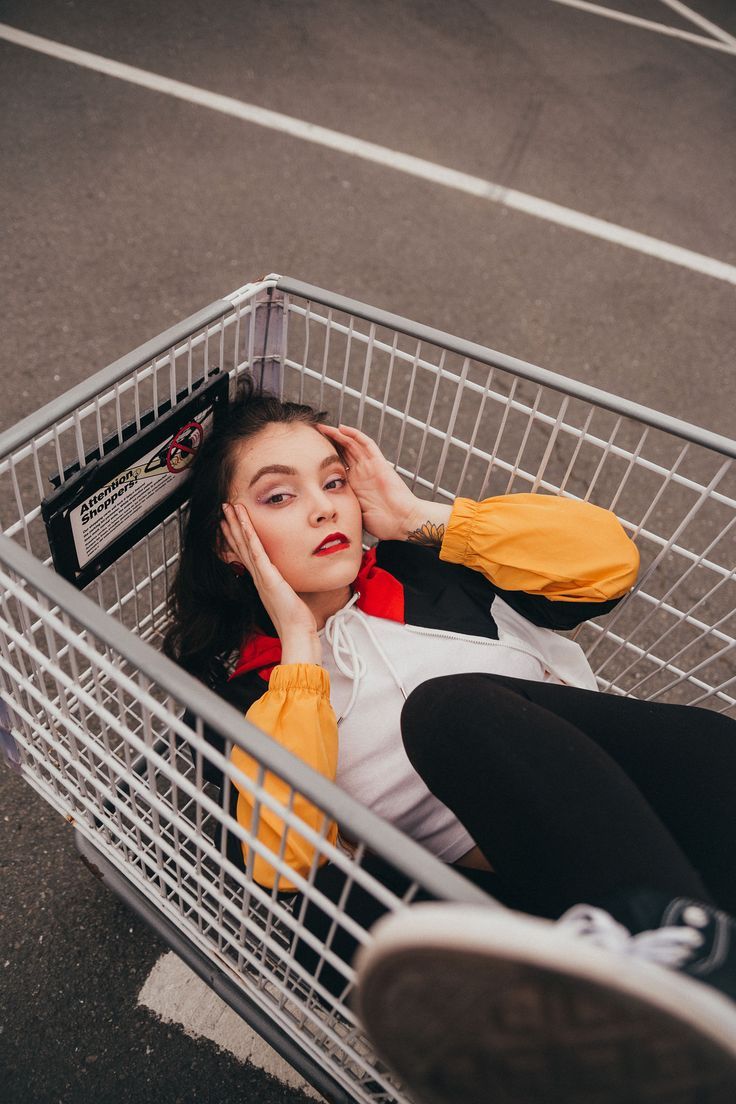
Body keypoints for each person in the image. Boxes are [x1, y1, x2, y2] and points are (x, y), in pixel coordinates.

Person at [164, 391, 736, 1098]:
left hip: (637, 816)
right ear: (229, 542)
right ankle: (674, 991)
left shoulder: (432, 573)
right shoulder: (250, 699)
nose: (324, 508)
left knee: (454, 715)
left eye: (334, 481)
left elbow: (607, 564)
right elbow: (283, 864)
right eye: (281, 495)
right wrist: (299, 649)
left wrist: (419, 520)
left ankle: (682, 974)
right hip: (511, 913)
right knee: (340, 882)